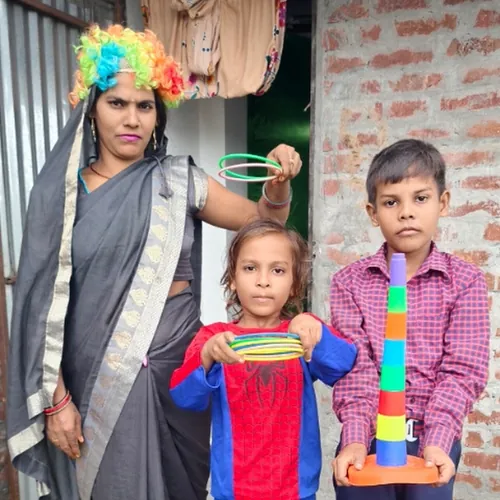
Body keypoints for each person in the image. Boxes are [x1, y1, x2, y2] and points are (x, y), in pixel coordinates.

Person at [6, 25, 304, 500]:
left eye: (145, 106)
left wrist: (278, 183)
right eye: (117, 103)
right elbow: (40, 307)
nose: (132, 119)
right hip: (96, 379)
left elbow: (265, 225)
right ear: (91, 108)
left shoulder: (178, 180)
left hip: (178, 372)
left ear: (158, 114)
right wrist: (56, 400)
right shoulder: (59, 196)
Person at [330, 139, 490, 500]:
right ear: (373, 212)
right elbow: (355, 370)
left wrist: (437, 441)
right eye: (391, 202)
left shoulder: (465, 282)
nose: (406, 213)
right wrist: (355, 439)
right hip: (368, 437)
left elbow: (462, 372)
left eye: (420, 198)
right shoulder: (349, 283)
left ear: (442, 203)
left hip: (432, 435)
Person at [169, 219, 357, 500]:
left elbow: (343, 365)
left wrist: (316, 331)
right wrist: (207, 355)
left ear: (294, 284)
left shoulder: (299, 334)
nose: (263, 281)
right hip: (234, 490)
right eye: (250, 268)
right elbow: (184, 397)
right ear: (232, 278)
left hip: (295, 490)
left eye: (278, 270)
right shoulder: (215, 338)